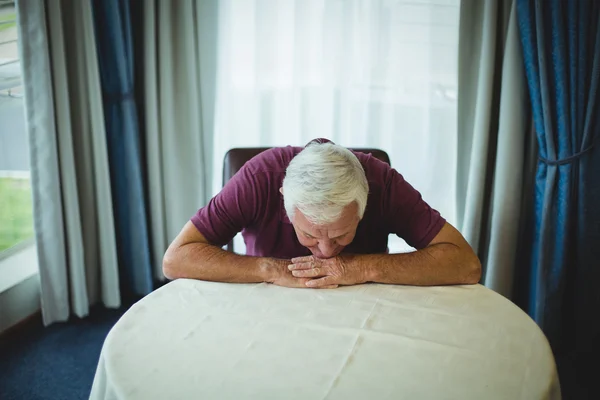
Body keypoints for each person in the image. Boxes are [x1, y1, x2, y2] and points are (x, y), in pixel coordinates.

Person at [163, 139, 481, 289]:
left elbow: (465, 264)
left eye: (342, 234)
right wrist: (270, 269)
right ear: (285, 202)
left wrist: (362, 266)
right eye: (310, 235)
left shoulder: (382, 182)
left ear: (365, 202)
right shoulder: (259, 178)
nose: (327, 252)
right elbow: (176, 259)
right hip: (266, 306)